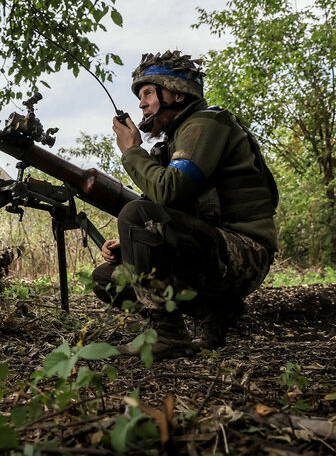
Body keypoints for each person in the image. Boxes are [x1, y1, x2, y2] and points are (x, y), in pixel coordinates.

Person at [92, 50, 279, 357]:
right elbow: (163, 215)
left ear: (177, 94)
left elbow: (169, 192)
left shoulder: (205, 124)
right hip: (212, 251)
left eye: (149, 93)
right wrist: (127, 246)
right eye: (141, 96)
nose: (142, 104)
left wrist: (131, 152)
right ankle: (214, 313)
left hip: (244, 252)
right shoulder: (175, 142)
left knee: (134, 213)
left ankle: (169, 335)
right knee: (107, 279)